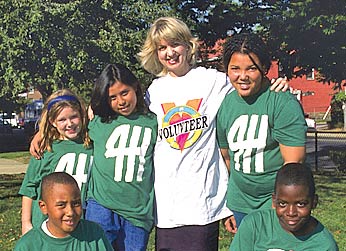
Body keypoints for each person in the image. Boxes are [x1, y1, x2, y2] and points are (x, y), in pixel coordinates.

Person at [137, 16, 289, 250]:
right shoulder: (153, 91)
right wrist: (95, 107)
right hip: (167, 203)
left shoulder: (213, 81)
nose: (170, 53)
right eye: (162, 48)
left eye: (175, 44)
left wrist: (276, 84)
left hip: (203, 201)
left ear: (188, 46)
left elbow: (248, 82)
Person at [216, 32, 307, 229]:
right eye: (235, 69)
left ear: (264, 68)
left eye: (251, 68)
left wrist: (281, 204)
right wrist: (230, 205)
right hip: (239, 201)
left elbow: (294, 164)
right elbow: (227, 158)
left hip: (274, 202)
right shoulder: (226, 104)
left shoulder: (281, 101)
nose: (243, 76)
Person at [85, 63, 157, 251]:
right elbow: (66, 129)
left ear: (135, 87)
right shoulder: (98, 122)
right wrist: (41, 135)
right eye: (112, 97)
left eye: (124, 93)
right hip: (101, 206)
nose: (121, 101)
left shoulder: (153, 120)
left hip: (137, 212)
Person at [19, 89, 93, 235]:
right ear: (52, 122)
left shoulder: (91, 143)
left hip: (79, 220)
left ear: (82, 115)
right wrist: (26, 222)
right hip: (47, 223)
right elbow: (29, 188)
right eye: (62, 120)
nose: (69, 123)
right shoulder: (45, 148)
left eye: (74, 117)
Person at [229, 163, 339, 250]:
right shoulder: (254, 225)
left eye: (301, 204)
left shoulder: (324, 245)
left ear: (314, 202)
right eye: (282, 204)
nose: (291, 212)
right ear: (274, 201)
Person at [14, 172, 113, 251]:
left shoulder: (94, 233)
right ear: (43, 207)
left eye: (76, 203)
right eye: (61, 205)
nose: (70, 212)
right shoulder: (28, 245)